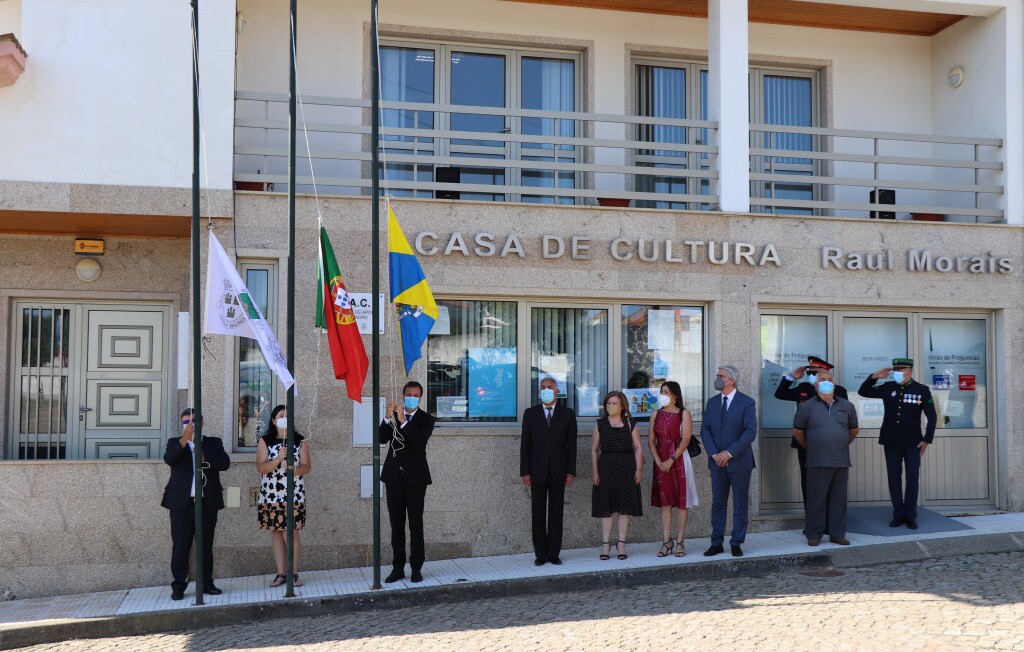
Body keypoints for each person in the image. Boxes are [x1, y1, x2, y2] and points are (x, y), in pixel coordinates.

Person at [858, 358, 937, 529]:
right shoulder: (888, 388)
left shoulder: (921, 390)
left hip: (913, 442)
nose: (897, 373)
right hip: (891, 440)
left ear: (909, 372)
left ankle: (910, 515)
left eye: (900, 371)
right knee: (894, 478)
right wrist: (874, 377)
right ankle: (898, 514)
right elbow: (863, 392)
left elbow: (932, 417)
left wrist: (927, 439)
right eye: (895, 370)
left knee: (912, 478)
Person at [161, 408, 231, 600]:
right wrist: (185, 438)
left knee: (205, 545)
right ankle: (178, 586)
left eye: (193, 422)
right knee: (180, 545)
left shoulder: (213, 443)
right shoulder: (175, 442)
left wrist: (205, 458)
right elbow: (170, 459)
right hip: (181, 504)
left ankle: (206, 583)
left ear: (202, 423)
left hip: (207, 502)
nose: (189, 425)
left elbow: (225, 463)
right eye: (185, 422)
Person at [379, 381, 436, 583]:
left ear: (420, 397)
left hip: (415, 479)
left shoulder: (426, 419)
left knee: (415, 524)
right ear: (403, 395)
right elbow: (381, 439)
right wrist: (388, 418)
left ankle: (416, 567)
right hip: (394, 478)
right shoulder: (394, 416)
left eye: (415, 395)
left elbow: (419, 443)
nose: (411, 397)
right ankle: (397, 567)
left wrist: (404, 422)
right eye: (408, 394)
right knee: (396, 525)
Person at [792, 376, 859, 546]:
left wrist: (840, 442)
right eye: (822, 379)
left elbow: (854, 430)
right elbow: (798, 432)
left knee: (839, 500)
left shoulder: (846, 405)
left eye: (829, 379)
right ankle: (814, 534)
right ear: (816, 384)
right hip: (817, 460)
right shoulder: (806, 406)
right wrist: (812, 447)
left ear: (835, 383)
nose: (826, 381)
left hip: (841, 460)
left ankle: (837, 534)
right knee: (816, 499)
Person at [774, 356, 848, 508]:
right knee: (808, 482)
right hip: (807, 445)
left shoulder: (839, 391)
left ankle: (829, 520)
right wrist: (790, 377)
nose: (811, 376)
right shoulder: (803, 389)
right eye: (810, 373)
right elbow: (780, 394)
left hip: (831, 445)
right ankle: (812, 520)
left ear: (826, 374)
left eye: (815, 373)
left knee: (831, 483)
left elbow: (846, 420)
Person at [521, 376, 578, 566]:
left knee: (556, 513)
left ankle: (553, 553)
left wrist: (570, 472)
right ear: (539, 391)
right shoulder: (530, 414)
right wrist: (525, 472)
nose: (546, 390)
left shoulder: (567, 414)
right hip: (536, 471)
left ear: (556, 391)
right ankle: (540, 553)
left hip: (559, 471)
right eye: (543, 387)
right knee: (537, 514)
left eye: (550, 387)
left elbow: (572, 446)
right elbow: (525, 445)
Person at [701, 365, 757, 557]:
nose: (717, 378)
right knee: (718, 503)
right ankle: (716, 542)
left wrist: (729, 453)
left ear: (732, 380)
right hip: (717, 462)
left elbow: (750, 431)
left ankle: (736, 541)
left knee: (740, 503)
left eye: (721, 376)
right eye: (717, 375)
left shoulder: (746, 402)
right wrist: (715, 454)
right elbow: (705, 430)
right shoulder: (712, 402)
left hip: (739, 462)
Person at [256, 405, 312, 588]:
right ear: (273, 420)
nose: (284, 418)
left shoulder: (300, 441)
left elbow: (306, 467)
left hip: (293, 494)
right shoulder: (265, 440)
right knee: (277, 532)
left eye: (288, 415)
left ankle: (294, 574)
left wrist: (293, 468)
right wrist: (278, 460)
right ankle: (281, 573)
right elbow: (261, 468)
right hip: (271, 494)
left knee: (292, 532)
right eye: (281, 415)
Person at [648, 381, 699, 557]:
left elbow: (685, 440)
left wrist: (670, 460)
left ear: (675, 395)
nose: (662, 394)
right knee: (665, 502)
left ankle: (680, 541)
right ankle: (666, 541)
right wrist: (658, 461)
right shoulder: (656, 413)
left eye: (666, 391)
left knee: (681, 503)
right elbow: (651, 441)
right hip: (661, 459)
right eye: (661, 391)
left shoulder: (684, 413)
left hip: (678, 459)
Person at [591, 391, 644, 560]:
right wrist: (595, 471)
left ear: (622, 406)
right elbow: (593, 449)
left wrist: (639, 469)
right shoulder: (600, 424)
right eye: (608, 403)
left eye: (614, 403)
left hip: (627, 466)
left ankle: (621, 544)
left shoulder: (630, 423)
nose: (611, 406)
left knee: (624, 507)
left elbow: (638, 447)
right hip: (606, 466)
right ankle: (605, 545)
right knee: (606, 507)